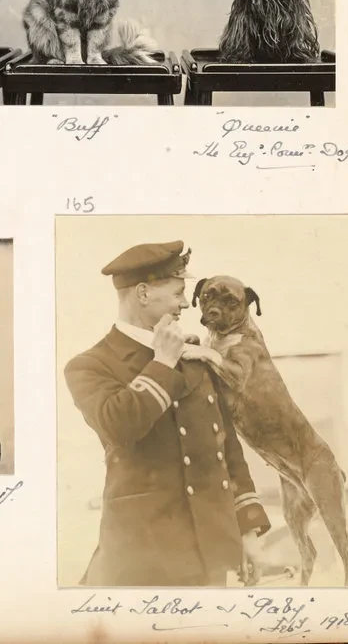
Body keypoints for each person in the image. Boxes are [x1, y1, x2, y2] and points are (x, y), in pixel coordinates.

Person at [65, 241, 270, 586]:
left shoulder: (194, 357)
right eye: (178, 292)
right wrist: (162, 363)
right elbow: (119, 425)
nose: (185, 304)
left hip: (210, 554)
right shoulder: (89, 365)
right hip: (142, 557)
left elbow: (225, 446)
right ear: (143, 293)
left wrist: (247, 529)